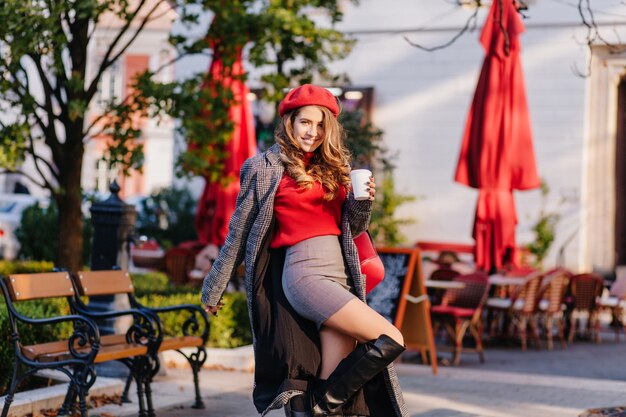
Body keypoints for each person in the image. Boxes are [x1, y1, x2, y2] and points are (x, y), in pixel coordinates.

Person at [201, 84, 407, 417]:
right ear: (289, 123)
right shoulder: (263, 168)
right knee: (390, 337)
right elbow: (237, 234)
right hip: (306, 275)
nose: (313, 132)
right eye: (305, 122)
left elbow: (353, 227)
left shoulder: (335, 168)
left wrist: (363, 200)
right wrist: (213, 286)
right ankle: (319, 408)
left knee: (329, 377)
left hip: (341, 277)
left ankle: (317, 408)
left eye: (321, 124)